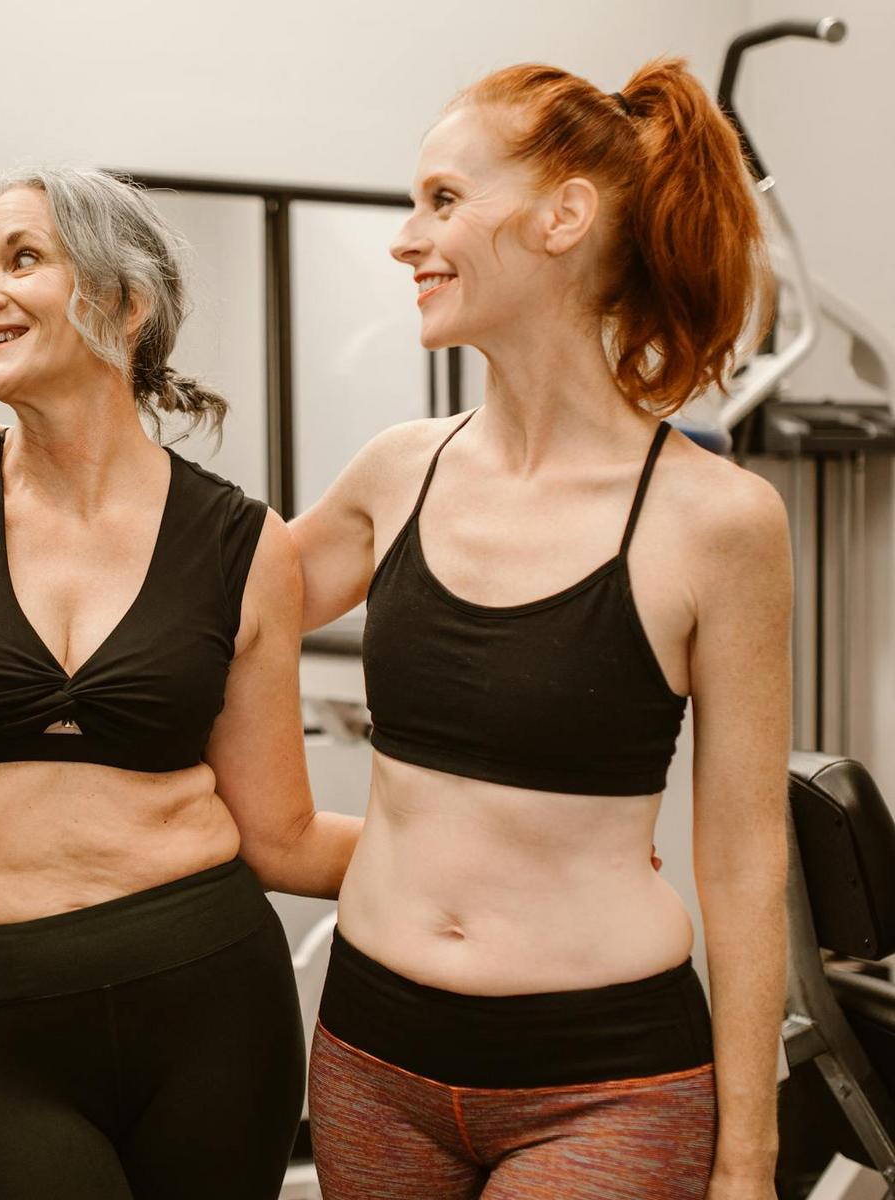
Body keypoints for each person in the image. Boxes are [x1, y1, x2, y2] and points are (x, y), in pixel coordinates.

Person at [290, 59, 788, 1198]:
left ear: (564, 216)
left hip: (603, 1084)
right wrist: (26, 460)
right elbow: (205, 598)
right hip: (371, 1058)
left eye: (443, 200)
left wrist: (750, 1160)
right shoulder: (397, 472)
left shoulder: (719, 521)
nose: (406, 239)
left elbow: (745, 857)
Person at [0, 166, 358, 1200]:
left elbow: (282, 834)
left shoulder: (246, 543)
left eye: (20, 259)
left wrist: (499, 866)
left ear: (124, 300)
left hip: (210, 996)